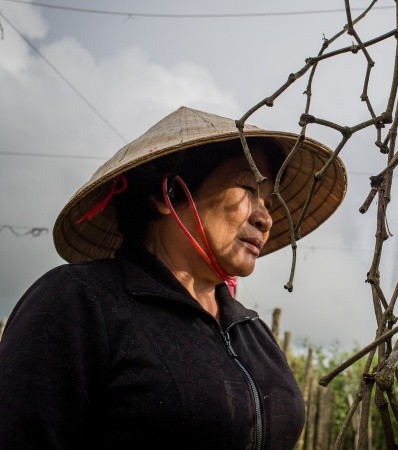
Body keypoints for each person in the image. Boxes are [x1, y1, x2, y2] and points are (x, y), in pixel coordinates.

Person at [0, 106, 347, 449]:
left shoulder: (252, 332)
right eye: (246, 187)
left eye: (268, 202)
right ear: (170, 194)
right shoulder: (80, 301)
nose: (265, 218)